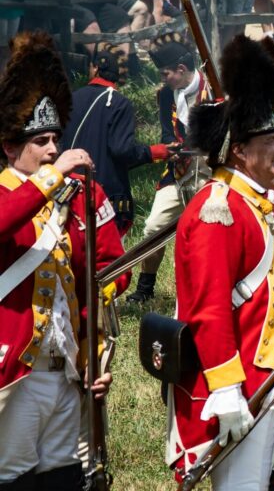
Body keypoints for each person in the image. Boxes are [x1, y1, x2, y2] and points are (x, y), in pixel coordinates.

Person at [0, 32, 128, 489]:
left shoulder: (78, 194)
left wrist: (93, 350)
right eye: (41, 141)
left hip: (68, 364)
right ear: (12, 148)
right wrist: (52, 180)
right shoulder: (11, 192)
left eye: (56, 138)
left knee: (66, 475)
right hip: (14, 368)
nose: (53, 149)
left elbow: (113, 267)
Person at [166, 35, 274, 491]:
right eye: (271, 140)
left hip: (262, 377)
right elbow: (210, 307)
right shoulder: (217, 210)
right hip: (234, 387)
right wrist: (225, 387)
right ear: (240, 149)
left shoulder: (249, 203)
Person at [128, 37, 212, 303]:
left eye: (166, 73)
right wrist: (171, 147)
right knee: (153, 227)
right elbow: (167, 131)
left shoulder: (213, 89)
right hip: (178, 172)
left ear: (180, 69)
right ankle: (144, 289)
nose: (164, 79)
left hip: (211, 174)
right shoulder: (165, 94)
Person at [62, 45, 174, 235]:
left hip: (70, 191)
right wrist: (154, 152)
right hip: (106, 196)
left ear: (95, 68)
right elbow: (122, 150)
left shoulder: (71, 99)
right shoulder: (120, 103)